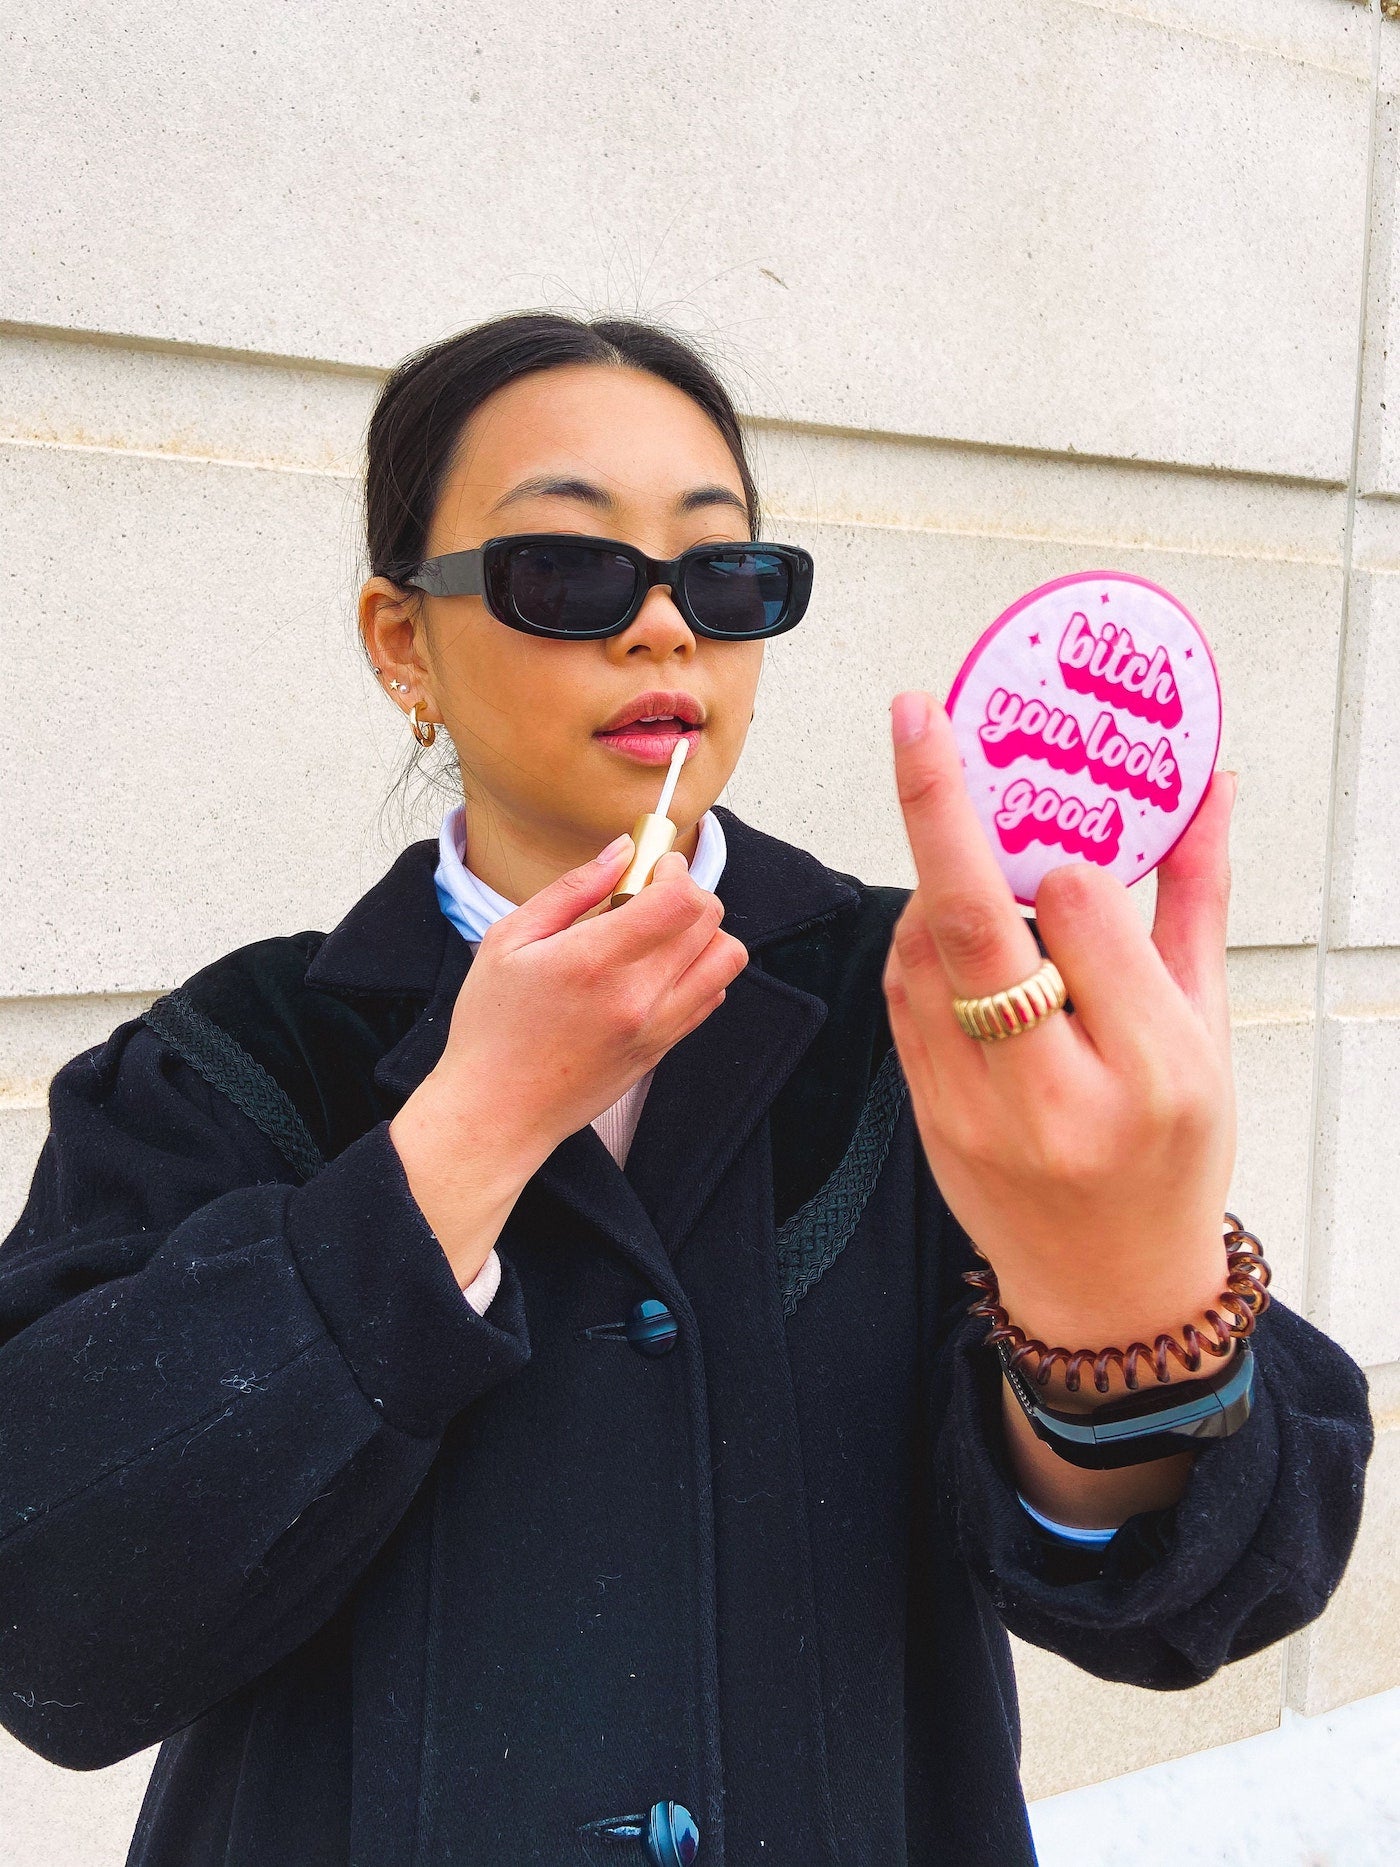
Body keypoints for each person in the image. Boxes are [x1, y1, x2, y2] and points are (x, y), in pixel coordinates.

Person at [0, 312, 1372, 1867]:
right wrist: (466, 1133)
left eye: (724, 579)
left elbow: (1217, 1580)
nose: (666, 632)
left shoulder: (916, 1002)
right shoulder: (240, 1054)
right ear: (404, 641)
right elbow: (53, 1605)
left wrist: (1120, 1310)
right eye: (570, 572)